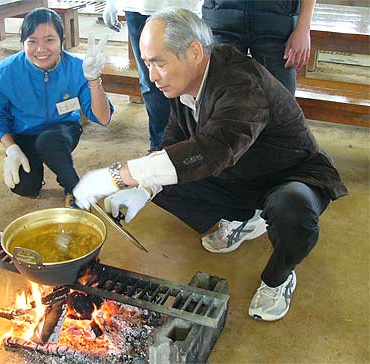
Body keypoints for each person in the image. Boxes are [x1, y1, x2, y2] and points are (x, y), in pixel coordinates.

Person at [73, 7, 347, 321]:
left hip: (288, 175)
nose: (152, 76)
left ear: (193, 51)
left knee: (292, 210)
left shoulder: (240, 82)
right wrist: (141, 189)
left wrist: (118, 176)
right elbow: (173, 144)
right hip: (236, 173)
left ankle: (279, 278)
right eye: (147, 63)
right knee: (158, 173)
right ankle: (245, 219)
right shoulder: (182, 83)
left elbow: (217, 148)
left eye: (159, 62)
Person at [0, 8, 113, 205]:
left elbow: (103, 118)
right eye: (32, 41)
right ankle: (36, 162)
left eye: (49, 40)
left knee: (49, 143)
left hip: (62, 131)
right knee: (24, 187)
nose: (41, 49)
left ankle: (76, 190)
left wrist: (94, 80)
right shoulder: (4, 72)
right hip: (24, 134)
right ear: (23, 43)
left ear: (62, 41)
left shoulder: (77, 67)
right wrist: (11, 148)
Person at [102, 0, 203, 151]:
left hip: (183, 8)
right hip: (138, 8)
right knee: (152, 83)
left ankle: (193, 147)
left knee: (189, 79)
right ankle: (159, 148)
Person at [202, 0, 316, 95]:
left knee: (282, 106)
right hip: (221, 22)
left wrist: (304, 28)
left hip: (277, 25)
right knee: (218, 100)